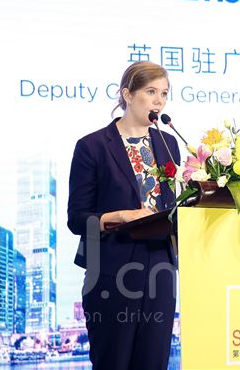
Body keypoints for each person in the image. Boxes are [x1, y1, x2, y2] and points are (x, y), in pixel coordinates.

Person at [67, 61, 181, 370]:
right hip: (111, 270)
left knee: (153, 362)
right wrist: (122, 215)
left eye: (164, 94)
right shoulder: (92, 147)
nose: (159, 101)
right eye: (151, 92)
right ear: (127, 94)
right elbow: (77, 218)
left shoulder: (168, 143)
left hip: (160, 267)